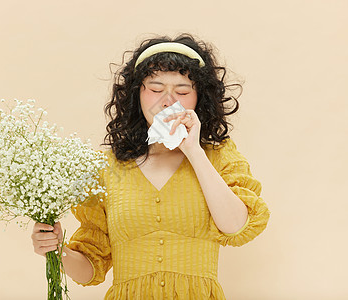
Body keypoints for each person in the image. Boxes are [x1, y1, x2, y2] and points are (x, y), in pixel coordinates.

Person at [31, 33, 270, 299]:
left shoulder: (218, 156)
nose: (167, 101)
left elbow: (236, 227)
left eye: (182, 91)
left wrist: (193, 150)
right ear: (137, 95)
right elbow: (90, 269)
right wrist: (56, 248)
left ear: (198, 99)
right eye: (155, 89)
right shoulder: (105, 169)